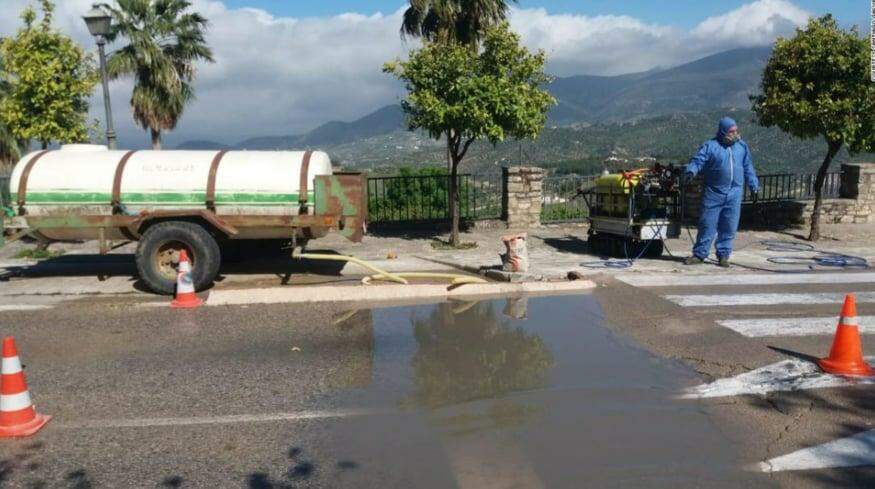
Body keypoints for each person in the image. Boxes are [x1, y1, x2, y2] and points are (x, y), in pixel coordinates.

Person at [684, 117, 759, 267]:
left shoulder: (741, 147)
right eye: (731, 131)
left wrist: (754, 185)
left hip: (734, 193)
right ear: (723, 131)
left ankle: (723, 255)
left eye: (736, 130)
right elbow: (698, 160)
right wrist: (690, 171)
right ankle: (700, 254)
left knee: (729, 225)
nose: (735, 133)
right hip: (714, 192)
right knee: (707, 224)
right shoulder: (711, 146)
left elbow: (748, 167)